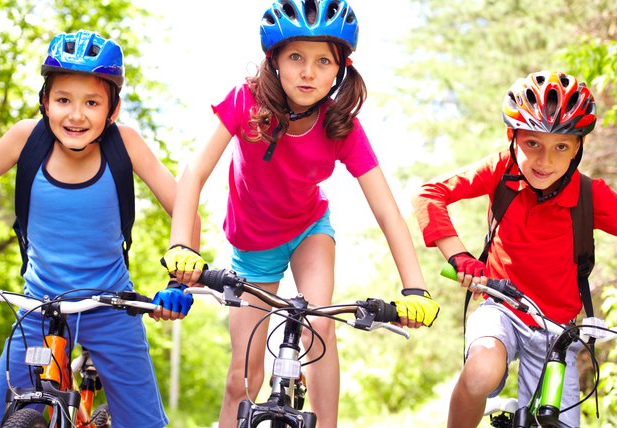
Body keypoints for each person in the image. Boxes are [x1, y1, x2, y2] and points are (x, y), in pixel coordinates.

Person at [161, 1, 440, 426]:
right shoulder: (246, 99)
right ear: (274, 59)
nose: (308, 72)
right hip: (253, 244)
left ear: (340, 68)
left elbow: (386, 210)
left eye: (322, 60)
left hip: (309, 230)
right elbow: (194, 173)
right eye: (296, 57)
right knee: (242, 378)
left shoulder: (340, 123)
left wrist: (415, 288)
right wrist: (181, 244)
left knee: (319, 326)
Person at [0, 30, 195, 428]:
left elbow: (184, 207)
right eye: (63, 100)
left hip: (111, 308)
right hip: (39, 307)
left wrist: (178, 283)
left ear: (113, 109)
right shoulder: (25, 139)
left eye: (92, 102)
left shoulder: (126, 144)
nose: (76, 114)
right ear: (45, 103)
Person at [413, 70, 617, 427]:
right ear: (513, 137)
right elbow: (430, 194)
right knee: (479, 374)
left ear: (577, 148)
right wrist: (459, 256)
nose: (544, 161)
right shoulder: (500, 171)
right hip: (501, 308)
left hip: (558, 332)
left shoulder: (590, 196)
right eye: (532, 143)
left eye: (560, 147)